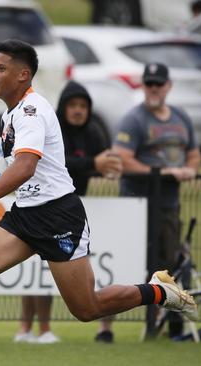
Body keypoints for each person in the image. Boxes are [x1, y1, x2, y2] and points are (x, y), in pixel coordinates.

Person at [0, 39, 196, 366]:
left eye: (0, 68)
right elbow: (13, 167)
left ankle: (159, 292)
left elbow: (26, 166)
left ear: (23, 75)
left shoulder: (32, 110)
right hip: (25, 215)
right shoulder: (10, 114)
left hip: (58, 216)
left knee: (87, 309)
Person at [112, 62, 201, 338]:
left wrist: (189, 170)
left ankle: (166, 325)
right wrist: (161, 173)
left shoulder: (181, 118)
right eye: (148, 83)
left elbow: (195, 154)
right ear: (142, 86)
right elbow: (121, 159)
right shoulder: (133, 120)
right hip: (136, 205)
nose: (153, 89)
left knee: (167, 267)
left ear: (168, 86)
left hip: (168, 206)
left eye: (158, 84)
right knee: (126, 266)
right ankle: (109, 327)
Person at [56, 80, 122, 343]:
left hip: (83, 208)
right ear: (63, 108)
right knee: (40, 274)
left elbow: (104, 162)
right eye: (72, 105)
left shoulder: (94, 131)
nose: (78, 111)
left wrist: (109, 168)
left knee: (106, 270)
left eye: (83, 106)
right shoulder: (54, 129)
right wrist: (93, 163)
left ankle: (105, 328)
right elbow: (58, 163)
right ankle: (32, 329)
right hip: (51, 208)